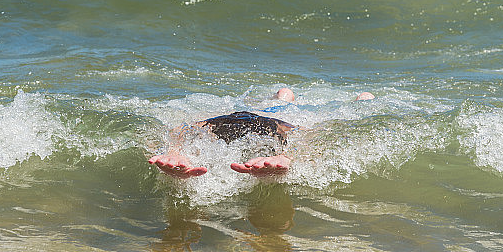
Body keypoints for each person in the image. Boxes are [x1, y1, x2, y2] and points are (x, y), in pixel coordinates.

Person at [148, 88, 375, 179]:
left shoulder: (283, 127)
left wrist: (287, 158)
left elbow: (311, 136)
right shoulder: (214, 125)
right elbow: (182, 129)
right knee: (284, 95)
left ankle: (362, 102)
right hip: (248, 115)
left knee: (285, 96)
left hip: (275, 117)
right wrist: (174, 151)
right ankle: (284, 98)